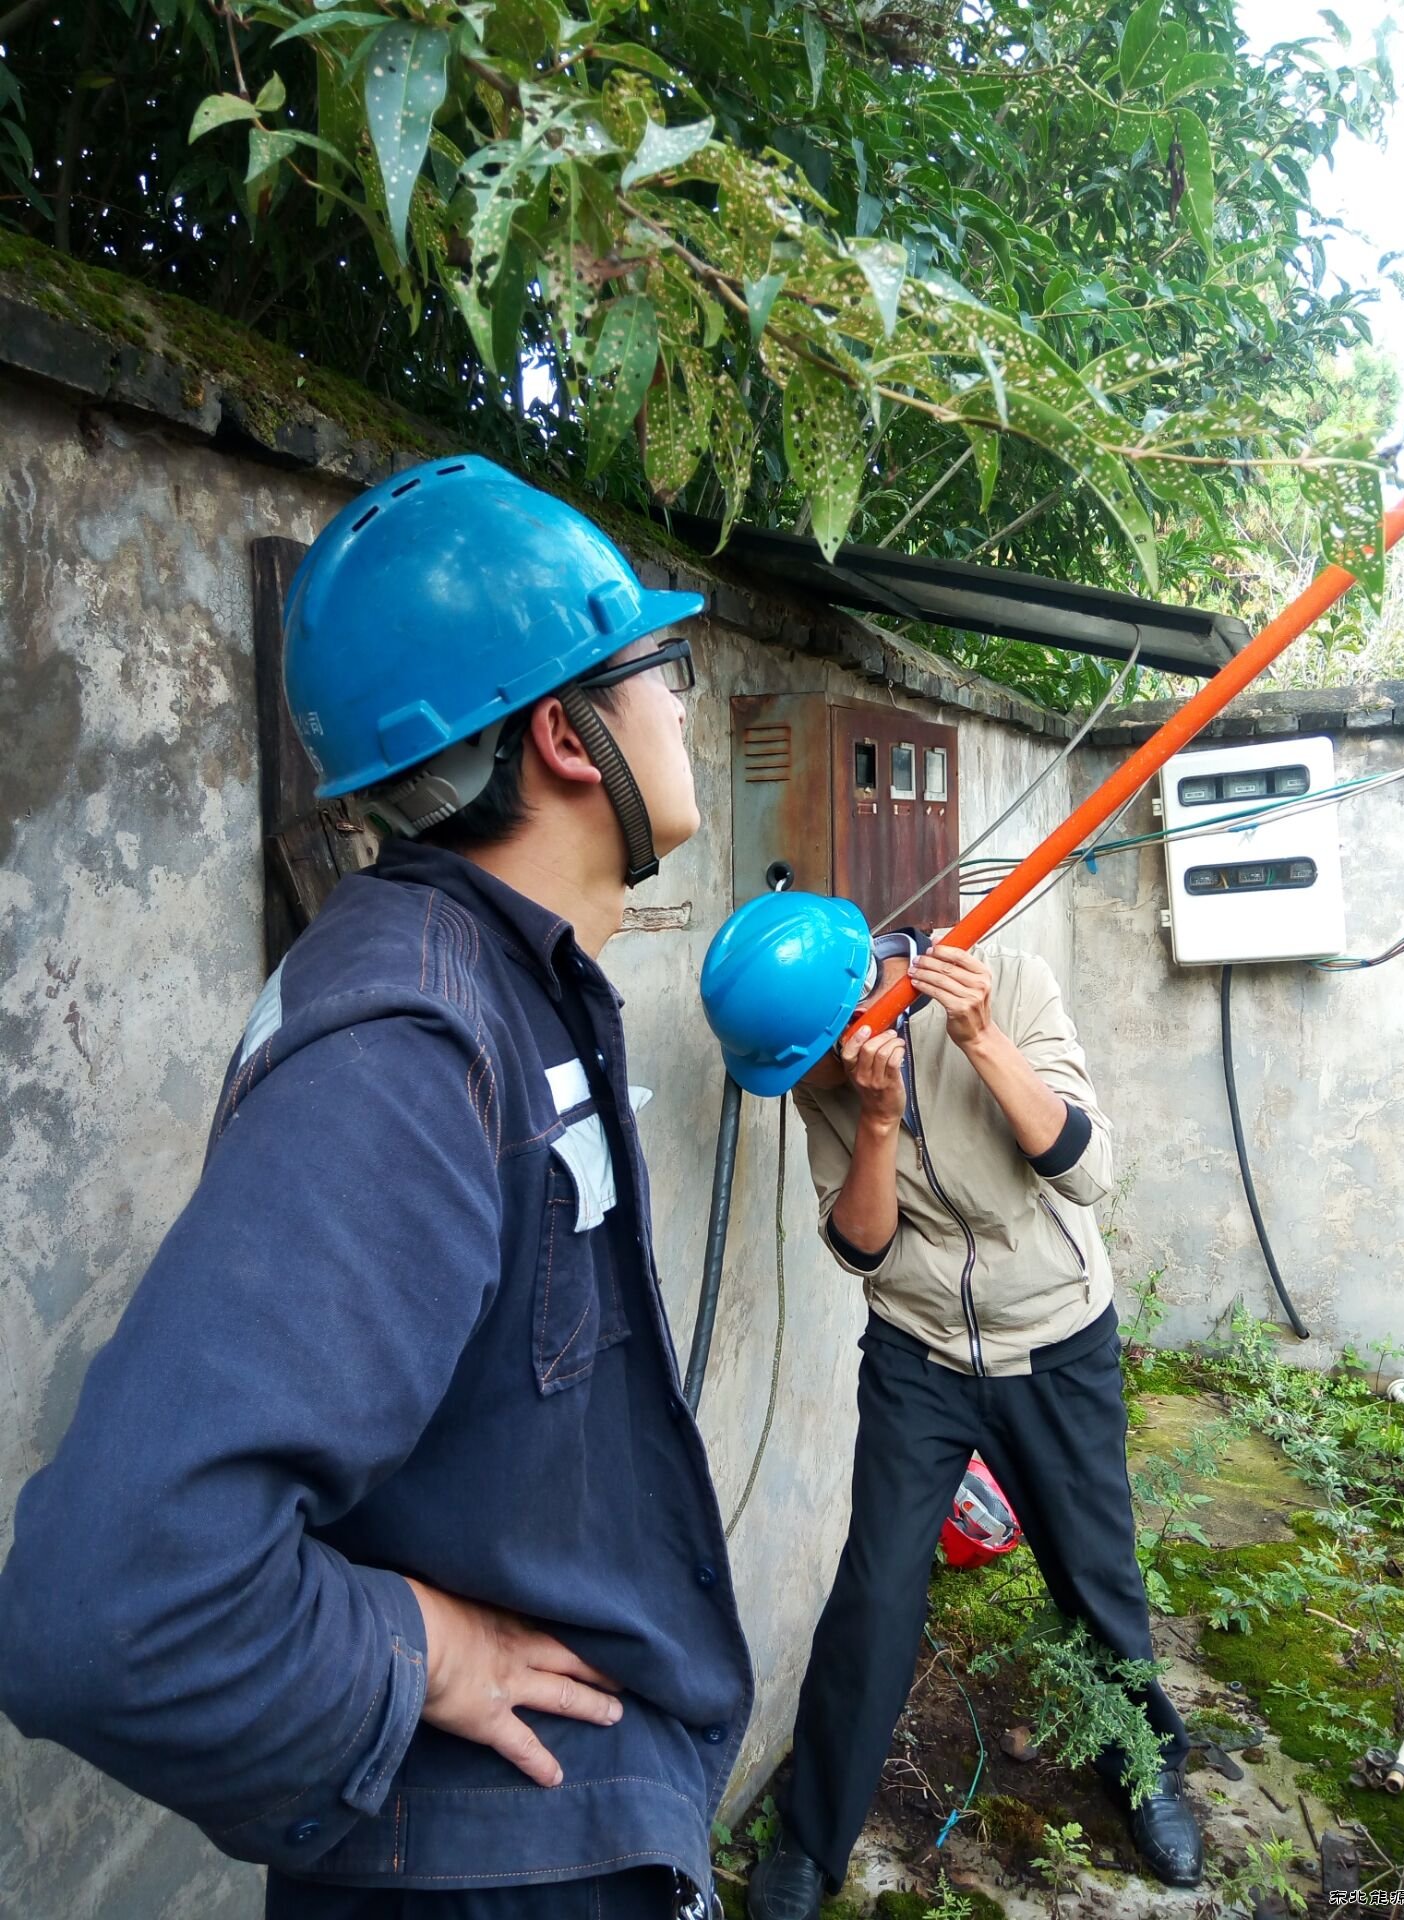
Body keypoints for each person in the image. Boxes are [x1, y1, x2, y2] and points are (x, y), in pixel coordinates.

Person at [0, 455, 751, 1920]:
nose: (686, 704)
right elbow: (112, 1604)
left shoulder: (499, 983)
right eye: (662, 667)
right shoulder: (414, 1041)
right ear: (568, 735)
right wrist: (425, 1647)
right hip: (489, 1875)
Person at [703, 899, 1201, 1920]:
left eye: (808, 1066)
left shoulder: (1009, 983)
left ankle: (1144, 1767)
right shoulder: (828, 1081)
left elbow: (1084, 1167)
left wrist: (979, 1040)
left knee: (1094, 1574)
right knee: (875, 1596)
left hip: (1056, 1339)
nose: (806, 1086)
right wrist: (876, 1123)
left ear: (857, 1010)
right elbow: (862, 1248)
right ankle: (810, 1841)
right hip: (917, 1354)